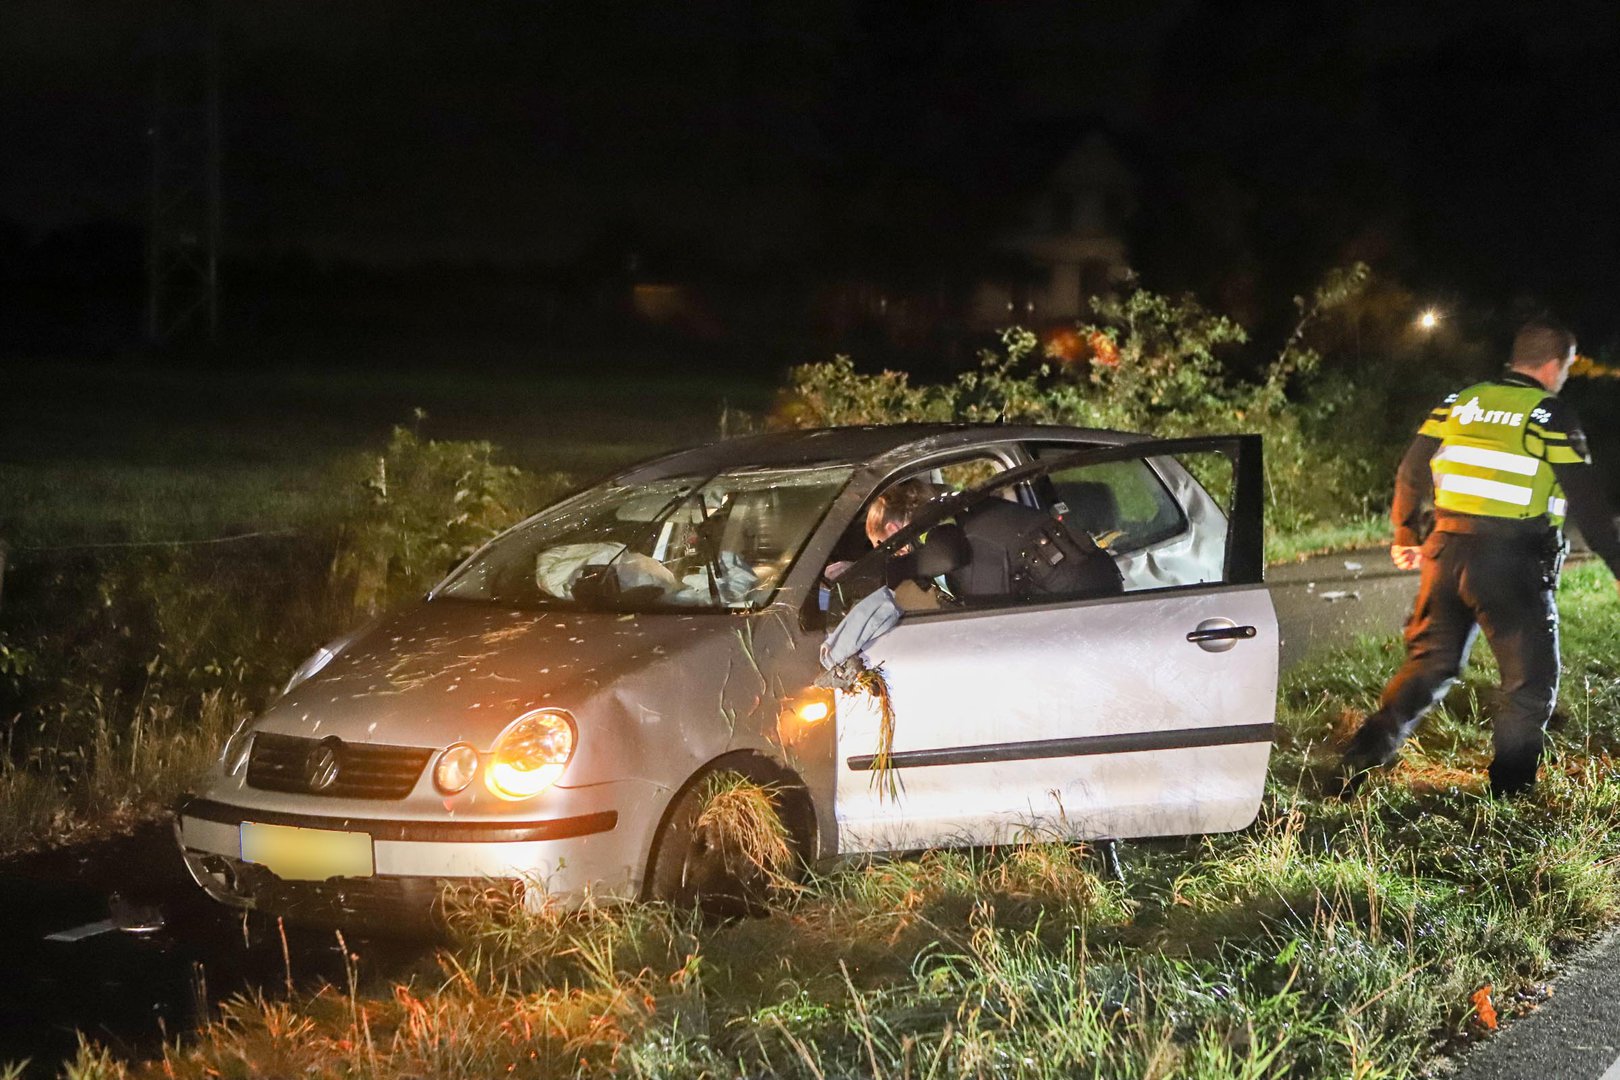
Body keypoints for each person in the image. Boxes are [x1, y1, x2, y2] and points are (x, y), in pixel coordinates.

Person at [1339, 318, 1620, 797]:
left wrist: (1405, 532)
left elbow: (1410, 471)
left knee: (1430, 665)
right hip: (1512, 563)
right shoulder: (1548, 415)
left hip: (1445, 555)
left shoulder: (1459, 402)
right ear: (1555, 364)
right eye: (1568, 367)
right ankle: (1510, 792)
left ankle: (1355, 764)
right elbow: (1588, 503)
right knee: (1529, 683)